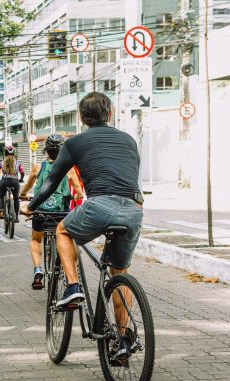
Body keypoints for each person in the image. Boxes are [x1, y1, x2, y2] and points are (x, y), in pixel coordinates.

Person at [22, 92, 143, 358]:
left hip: (99, 205)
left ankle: (73, 287)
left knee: (64, 230)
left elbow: (52, 181)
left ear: (81, 118)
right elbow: (132, 177)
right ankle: (123, 339)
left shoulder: (74, 142)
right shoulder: (129, 140)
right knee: (119, 272)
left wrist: (30, 206)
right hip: (134, 209)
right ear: (109, 114)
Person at [22, 134, 84, 290]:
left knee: (36, 239)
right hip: (61, 214)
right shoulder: (69, 169)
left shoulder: (38, 167)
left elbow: (28, 186)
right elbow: (79, 191)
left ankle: (37, 269)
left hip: (40, 213)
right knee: (65, 237)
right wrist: (77, 196)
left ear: (46, 151)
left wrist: (22, 195)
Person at [0, 144, 25, 221]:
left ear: (5, 154)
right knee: (16, 198)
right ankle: (16, 217)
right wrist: (21, 179)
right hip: (15, 182)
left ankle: (2, 210)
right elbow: (22, 172)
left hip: (4, 182)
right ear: (14, 154)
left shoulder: (1, 163)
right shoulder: (18, 163)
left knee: (0, 196)